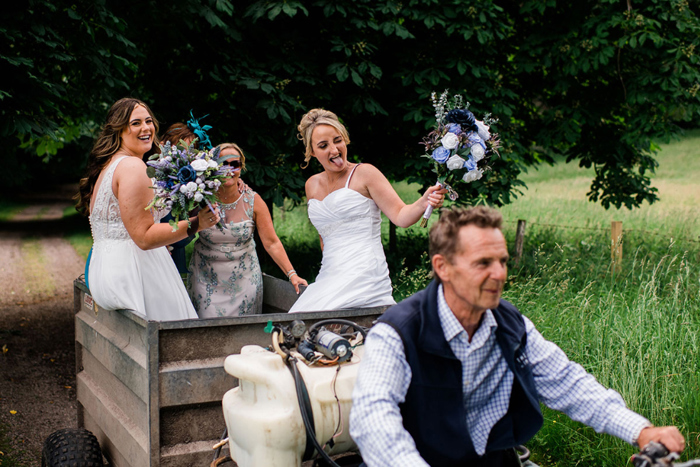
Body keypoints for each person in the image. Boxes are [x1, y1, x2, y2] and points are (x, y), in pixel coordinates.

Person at [350, 206, 685, 467]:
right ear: (443, 267)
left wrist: (640, 430)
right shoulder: (397, 333)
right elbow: (374, 421)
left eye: (502, 261)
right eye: (483, 263)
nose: (499, 274)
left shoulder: (511, 325)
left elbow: (568, 383)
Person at [75, 97, 220, 321]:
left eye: (149, 121)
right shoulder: (133, 167)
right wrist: (197, 223)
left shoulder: (110, 165)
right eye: (135, 123)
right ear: (119, 130)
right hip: (135, 270)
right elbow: (143, 237)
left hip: (107, 267)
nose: (146, 128)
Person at [288, 109, 446, 313]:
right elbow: (324, 237)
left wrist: (424, 201)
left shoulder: (365, 174)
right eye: (323, 145)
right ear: (311, 152)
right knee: (298, 323)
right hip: (330, 275)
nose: (334, 150)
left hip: (365, 274)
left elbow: (400, 216)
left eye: (338, 140)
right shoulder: (312, 185)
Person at [187, 143, 307, 317]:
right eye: (222, 164)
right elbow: (182, 229)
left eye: (234, 164)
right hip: (205, 280)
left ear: (241, 169)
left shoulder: (254, 201)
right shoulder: (199, 198)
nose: (229, 169)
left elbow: (271, 242)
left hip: (245, 282)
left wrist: (292, 274)